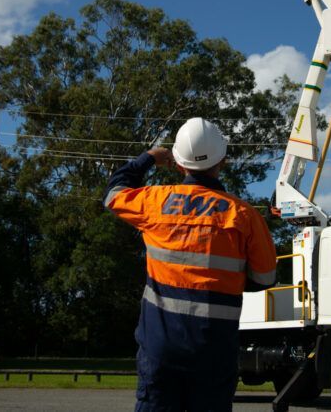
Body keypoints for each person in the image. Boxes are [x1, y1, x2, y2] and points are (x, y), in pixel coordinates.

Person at [104, 117, 277, 412]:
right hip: (214, 351)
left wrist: (149, 158)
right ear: (222, 161)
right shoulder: (245, 216)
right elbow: (264, 279)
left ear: (180, 164)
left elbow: (114, 193)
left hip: (161, 347)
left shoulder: (156, 202)